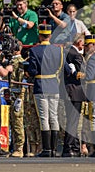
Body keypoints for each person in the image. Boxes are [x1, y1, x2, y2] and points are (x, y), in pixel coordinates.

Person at [27, 24, 72, 157]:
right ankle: (53, 149)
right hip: (54, 85)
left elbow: (32, 71)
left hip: (41, 85)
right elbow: (67, 70)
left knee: (44, 117)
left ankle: (47, 149)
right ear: (50, 36)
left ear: (40, 36)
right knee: (54, 116)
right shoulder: (59, 51)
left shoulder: (34, 51)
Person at [62, 33, 87, 157]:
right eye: (83, 42)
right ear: (79, 42)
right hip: (74, 90)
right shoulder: (74, 54)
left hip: (70, 90)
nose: (85, 44)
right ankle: (69, 147)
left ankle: (74, 146)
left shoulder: (68, 52)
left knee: (72, 120)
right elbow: (81, 73)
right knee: (73, 121)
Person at [2, 41, 26, 158]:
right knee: (12, 121)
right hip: (12, 95)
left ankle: (19, 147)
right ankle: (14, 146)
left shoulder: (20, 62)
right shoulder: (11, 61)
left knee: (17, 121)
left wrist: (19, 98)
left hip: (18, 96)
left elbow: (21, 82)